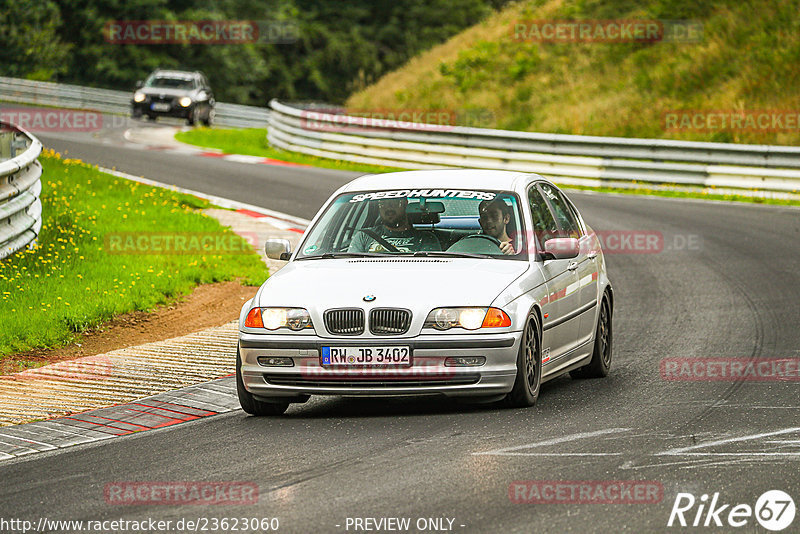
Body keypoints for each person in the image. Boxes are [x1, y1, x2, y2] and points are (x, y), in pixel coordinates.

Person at [348, 197, 441, 253]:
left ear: (405, 204)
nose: (388, 208)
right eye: (383, 204)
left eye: (394, 203)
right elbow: (351, 267)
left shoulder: (427, 239)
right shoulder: (364, 236)